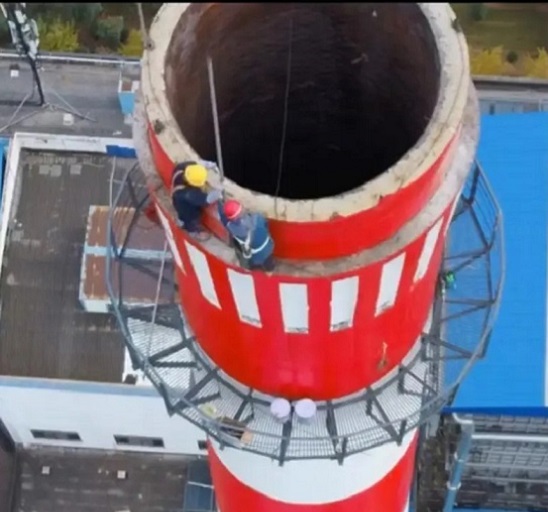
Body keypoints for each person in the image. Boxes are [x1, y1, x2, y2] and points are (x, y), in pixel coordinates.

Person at [218, 199, 275, 272]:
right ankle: (270, 271)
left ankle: (253, 272)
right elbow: (266, 224)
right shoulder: (257, 217)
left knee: (251, 263)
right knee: (269, 264)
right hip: (267, 247)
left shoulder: (234, 229)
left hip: (255, 255)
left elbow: (224, 220)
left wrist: (220, 203)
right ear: (242, 209)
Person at [171, 161, 222, 237]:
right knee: (191, 221)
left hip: (178, 201)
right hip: (188, 212)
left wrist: (206, 165)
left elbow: (194, 164)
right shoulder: (189, 194)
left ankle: (181, 221)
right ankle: (193, 232)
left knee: (182, 215)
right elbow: (206, 200)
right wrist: (219, 192)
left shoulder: (181, 169)